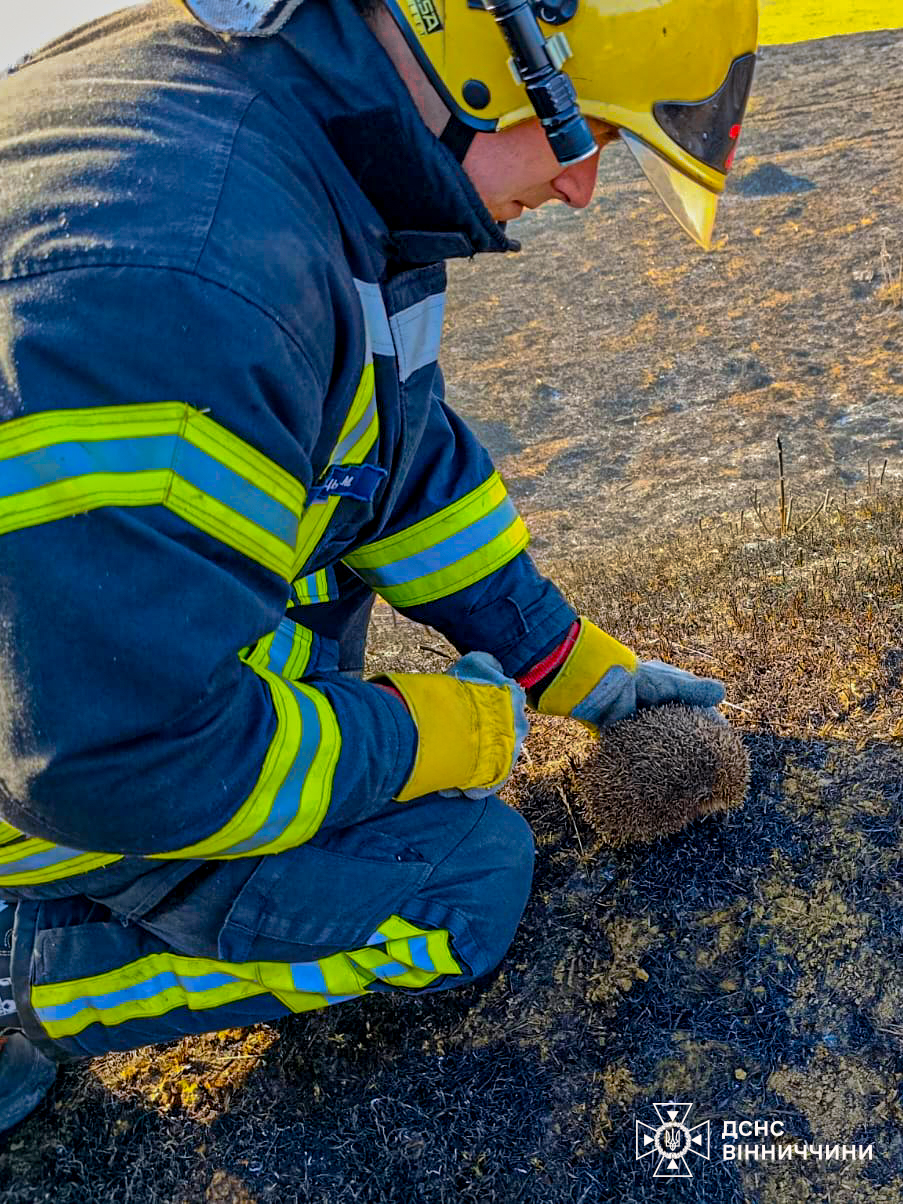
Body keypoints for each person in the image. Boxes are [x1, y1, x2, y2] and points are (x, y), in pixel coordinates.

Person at [0, 0, 756, 1131]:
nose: (583, 187)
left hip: (86, 689)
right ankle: (33, 981)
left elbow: (392, 466)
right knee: (470, 879)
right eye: (583, 127)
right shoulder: (187, 289)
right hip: (77, 772)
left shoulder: (306, 141)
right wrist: (441, 734)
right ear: (486, 54)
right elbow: (122, 761)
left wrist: (576, 667)